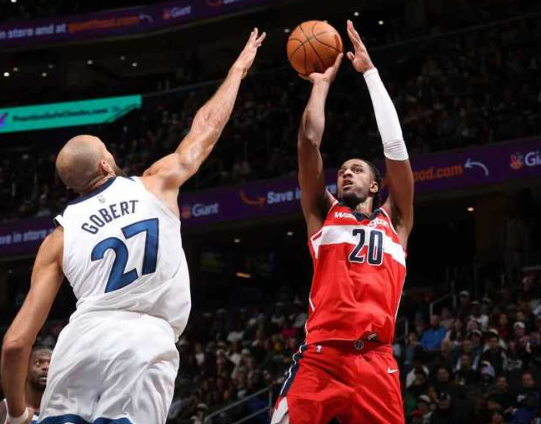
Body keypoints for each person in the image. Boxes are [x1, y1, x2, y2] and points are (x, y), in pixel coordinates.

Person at [1, 29, 266, 424]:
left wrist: (18, 415)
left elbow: (15, 343)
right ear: (105, 164)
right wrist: (237, 71)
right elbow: (206, 129)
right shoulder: (155, 183)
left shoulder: (57, 238)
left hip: (78, 344)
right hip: (143, 341)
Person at [271, 20, 414, 424]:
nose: (346, 173)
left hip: (376, 361)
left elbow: (396, 147)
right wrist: (320, 84)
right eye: (342, 170)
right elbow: (308, 142)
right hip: (322, 357)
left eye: (357, 169)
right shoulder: (322, 213)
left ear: (376, 186)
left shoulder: (396, 220)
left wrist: (370, 74)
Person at [0, 346, 51, 424]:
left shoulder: (63, 409)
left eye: (51, 364)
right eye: (38, 363)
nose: (46, 367)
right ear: (25, 369)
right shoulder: (5, 407)